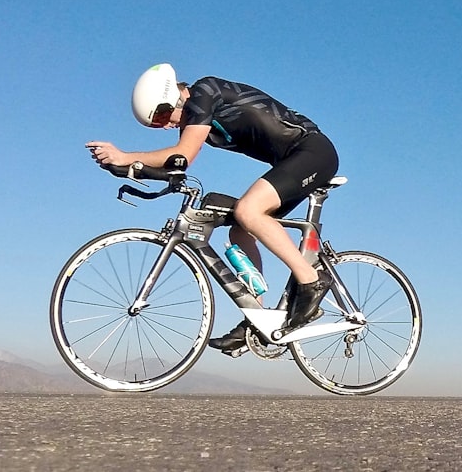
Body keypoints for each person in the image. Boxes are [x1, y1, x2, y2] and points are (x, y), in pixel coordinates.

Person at [86, 63, 339, 355]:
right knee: (240, 232)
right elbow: (176, 166)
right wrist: (129, 169)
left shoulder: (205, 91)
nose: (166, 125)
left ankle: (311, 281)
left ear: (175, 96)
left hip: (312, 151)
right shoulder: (197, 116)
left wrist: (125, 155)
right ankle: (258, 319)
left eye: (163, 115)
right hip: (290, 162)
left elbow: (182, 154)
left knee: (248, 211)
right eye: (157, 124)